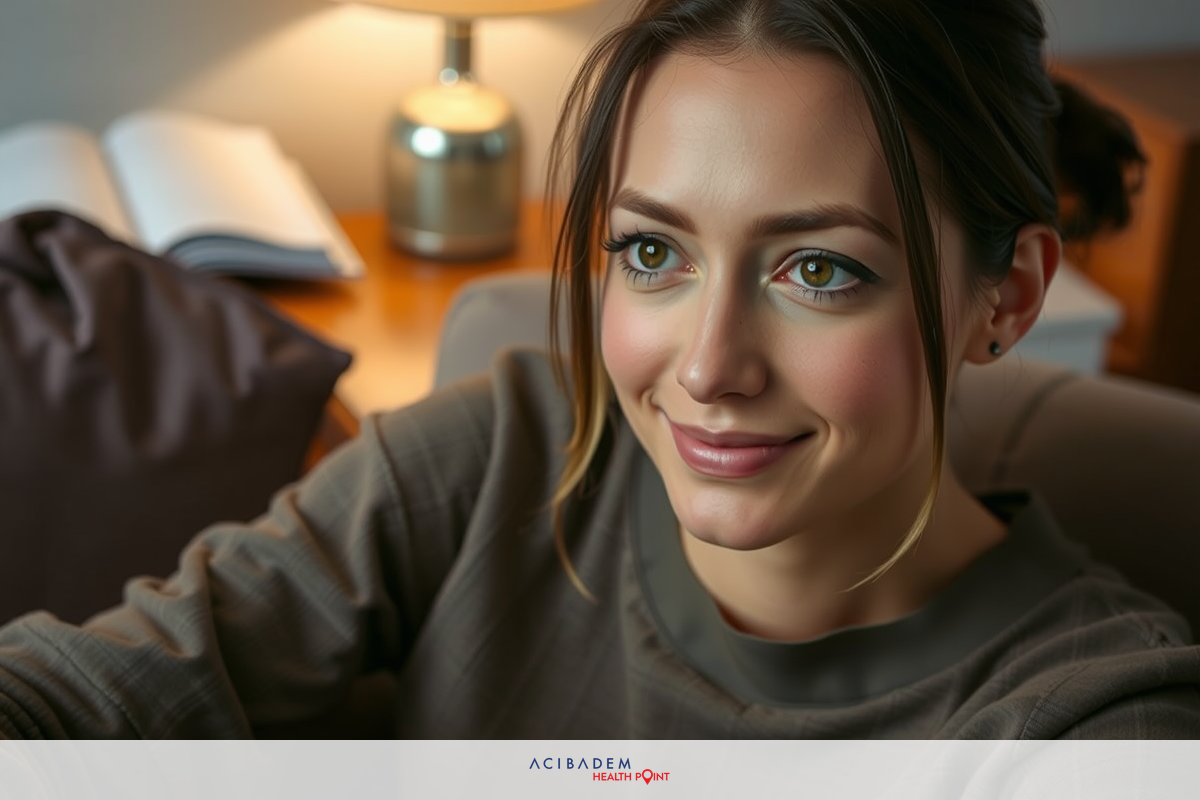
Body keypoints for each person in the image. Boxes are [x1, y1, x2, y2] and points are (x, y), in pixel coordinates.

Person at [1, 0, 1198, 739]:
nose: (711, 366)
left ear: (1012, 295)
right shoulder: (514, 449)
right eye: (653, 251)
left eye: (819, 270)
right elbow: (92, 689)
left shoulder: (1092, 724)